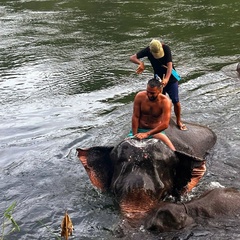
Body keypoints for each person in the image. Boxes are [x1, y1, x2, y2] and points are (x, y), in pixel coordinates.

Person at [130, 38, 187, 131]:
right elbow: (132, 57)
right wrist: (140, 63)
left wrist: (167, 79)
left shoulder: (166, 49)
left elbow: (169, 66)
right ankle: (160, 120)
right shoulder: (147, 50)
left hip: (170, 78)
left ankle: (178, 121)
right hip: (158, 79)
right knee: (158, 100)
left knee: (175, 100)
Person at [127, 78, 176, 151]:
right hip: (139, 130)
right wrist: (135, 135)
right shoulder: (139, 96)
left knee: (173, 151)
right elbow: (135, 116)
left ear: (160, 91)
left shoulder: (166, 102)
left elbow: (165, 124)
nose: (149, 95)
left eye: (152, 93)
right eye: (148, 92)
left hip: (155, 132)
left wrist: (147, 134)